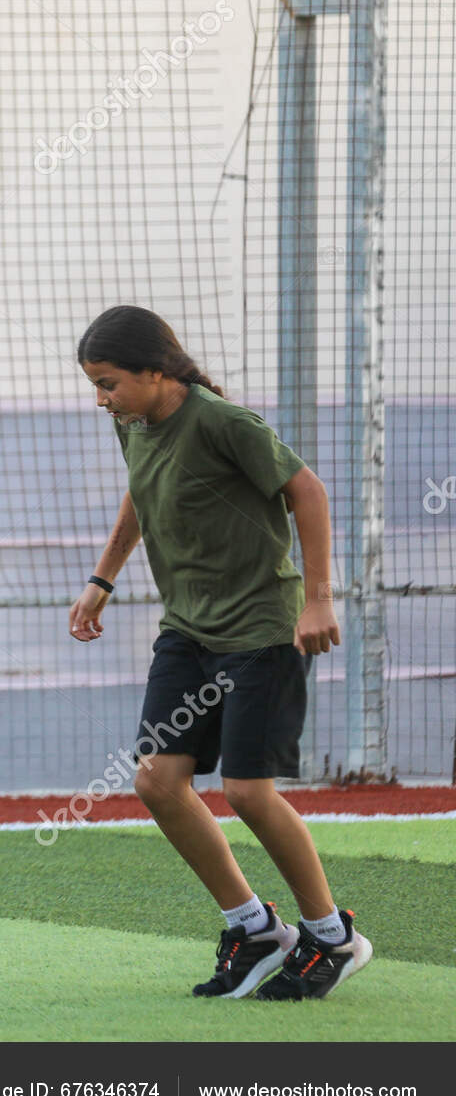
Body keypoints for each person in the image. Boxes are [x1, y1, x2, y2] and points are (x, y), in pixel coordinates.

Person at [68, 304, 372, 1000]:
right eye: (95, 384)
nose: (101, 399)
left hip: (261, 630)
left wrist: (320, 598)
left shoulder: (220, 422)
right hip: (188, 631)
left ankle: (331, 935)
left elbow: (308, 490)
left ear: (155, 370)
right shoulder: (133, 423)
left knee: (246, 791)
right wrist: (101, 579)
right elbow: (141, 497)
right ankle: (255, 926)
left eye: (109, 382)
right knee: (157, 781)